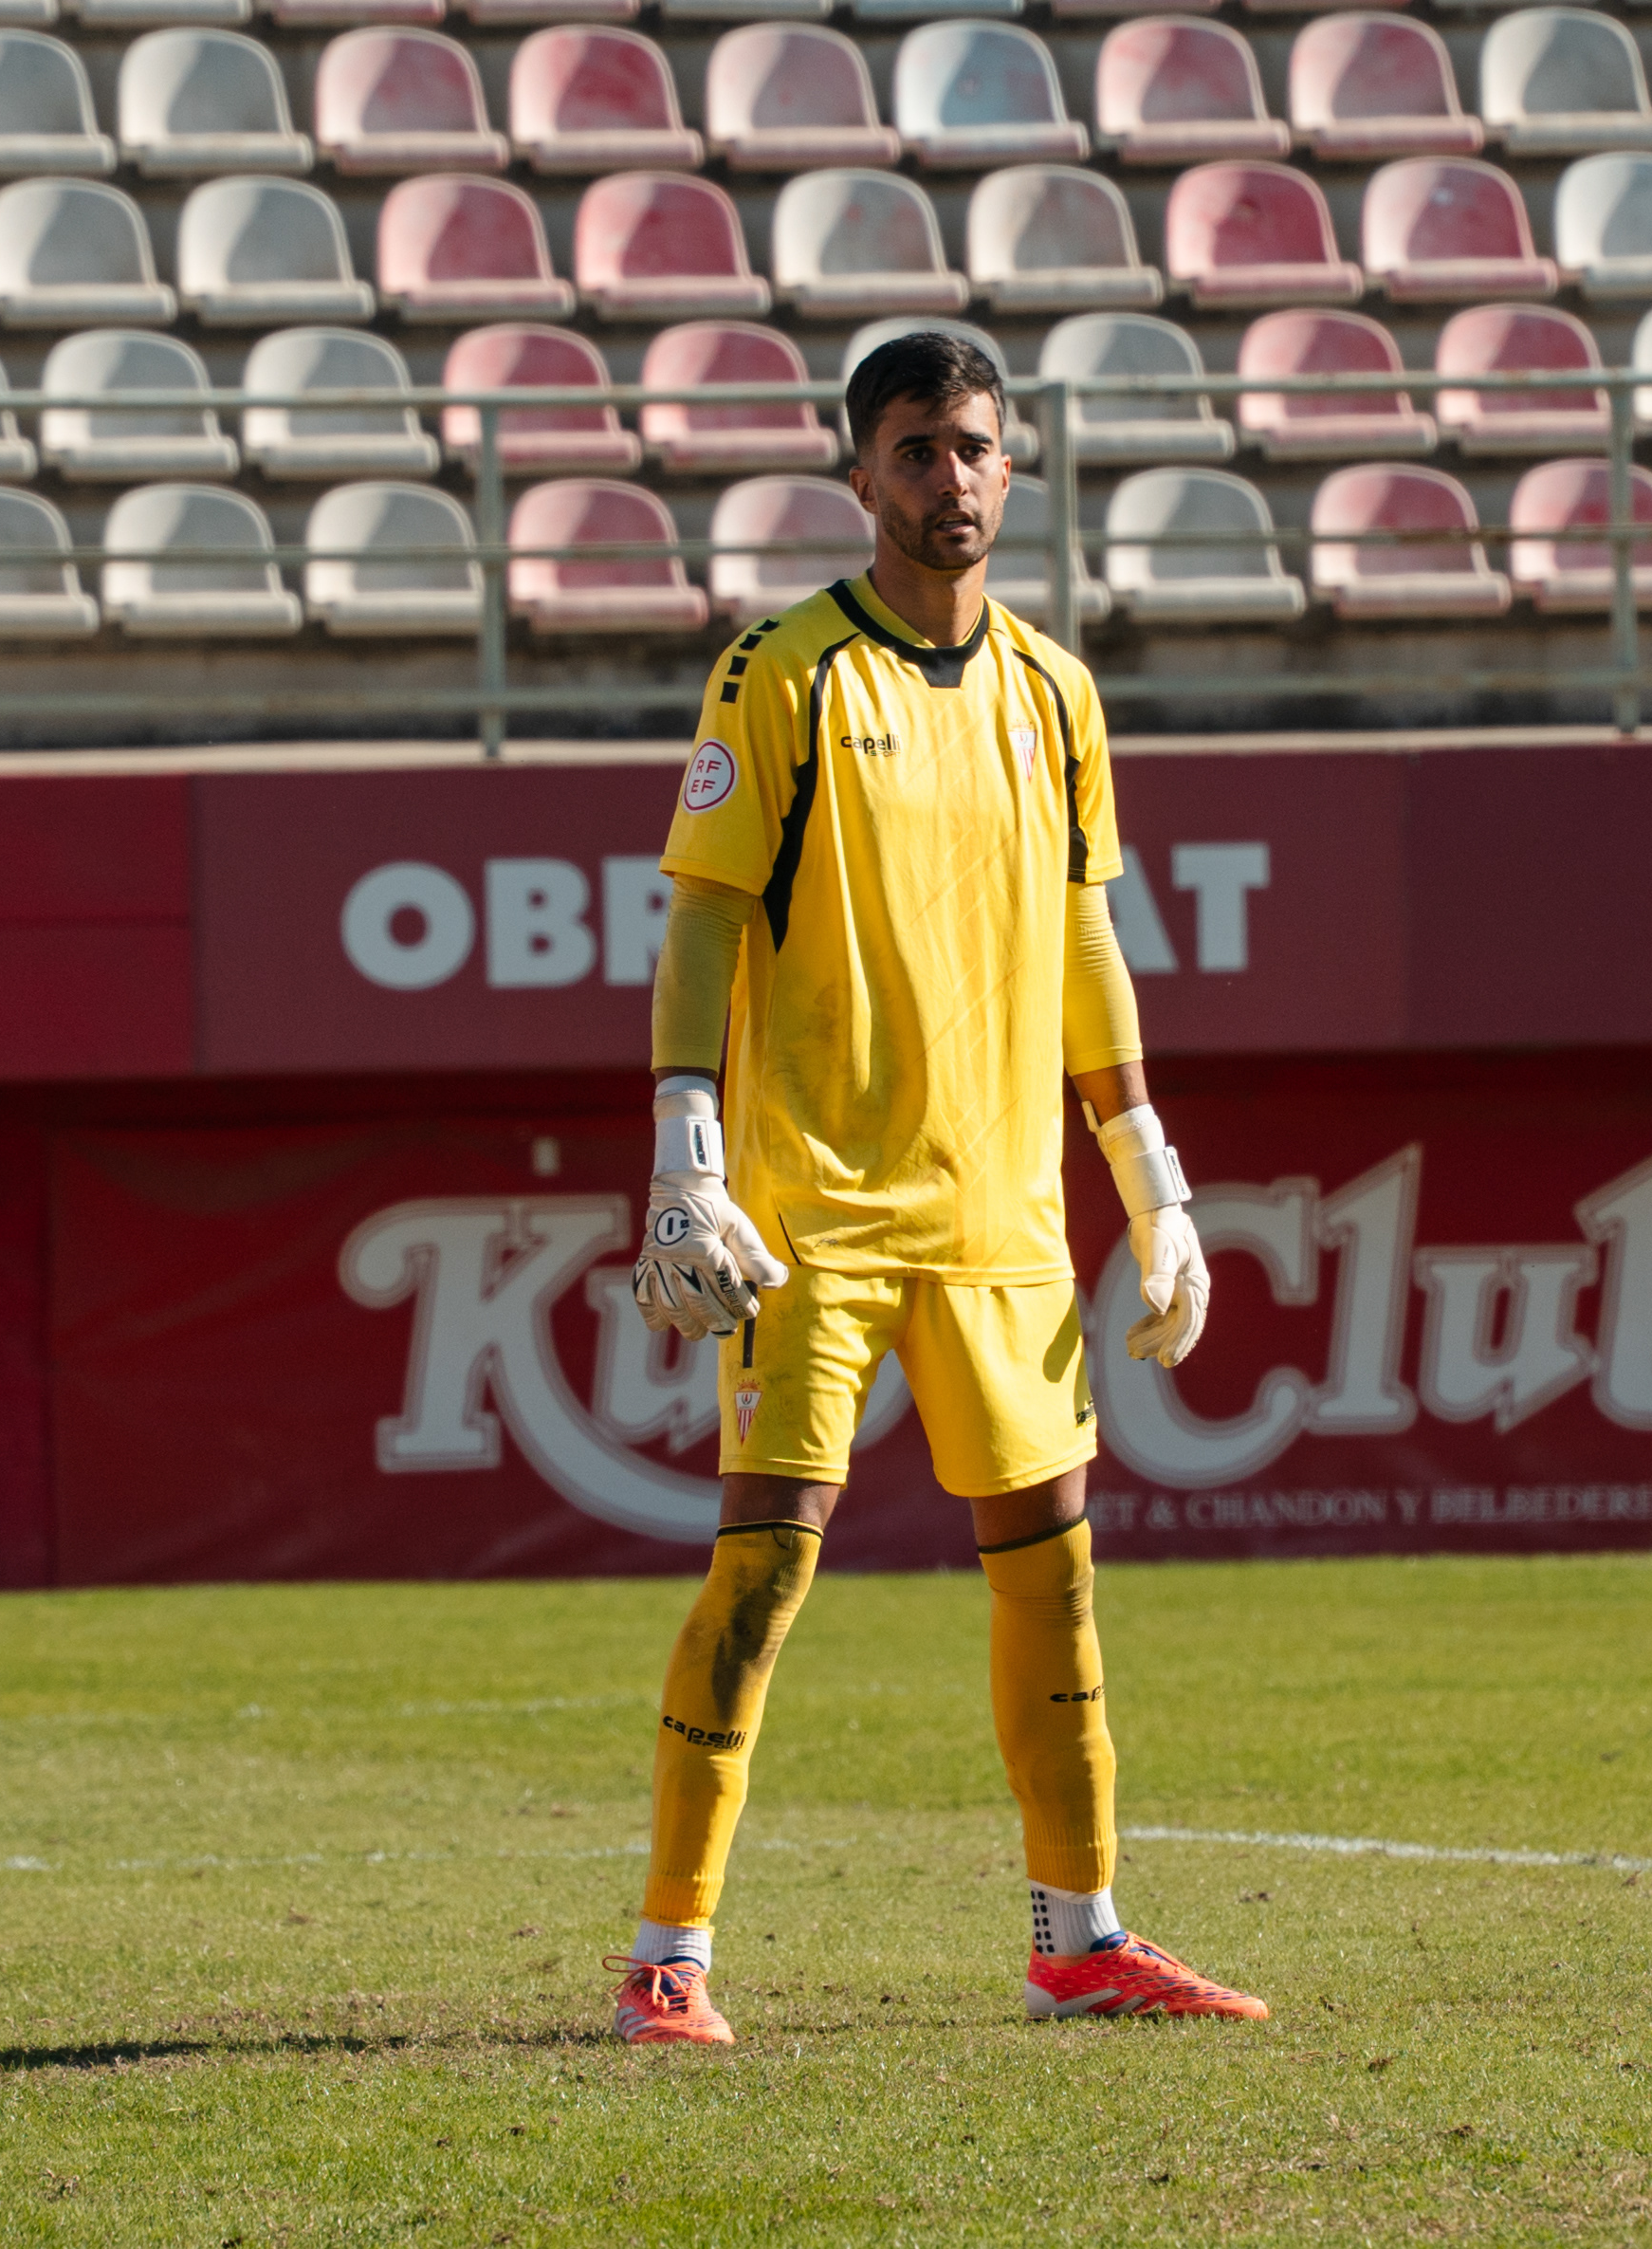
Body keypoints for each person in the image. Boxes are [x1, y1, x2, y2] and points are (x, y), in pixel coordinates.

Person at [606, 331, 1268, 2046]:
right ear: (861, 476)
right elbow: (702, 916)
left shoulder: (1056, 691)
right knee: (765, 1573)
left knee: (1054, 1577)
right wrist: (686, 1147)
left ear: (1010, 467)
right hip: (813, 1213)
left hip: (1003, 1218)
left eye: (972, 447)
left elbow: (1085, 939)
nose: (948, 479)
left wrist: (1154, 1180)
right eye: (915, 450)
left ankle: (1082, 1938)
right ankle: (669, 1956)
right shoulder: (783, 673)